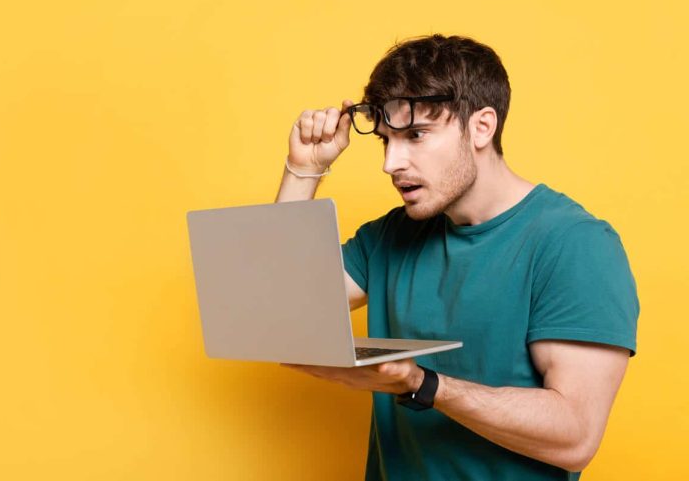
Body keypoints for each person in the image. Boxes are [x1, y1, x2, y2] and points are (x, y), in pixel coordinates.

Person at [274, 34, 639, 480]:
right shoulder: (390, 236)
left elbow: (576, 437)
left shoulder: (575, 244)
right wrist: (305, 169)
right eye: (386, 140)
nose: (391, 163)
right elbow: (280, 321)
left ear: (482, 127)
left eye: (416, 135)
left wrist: (423, 384)